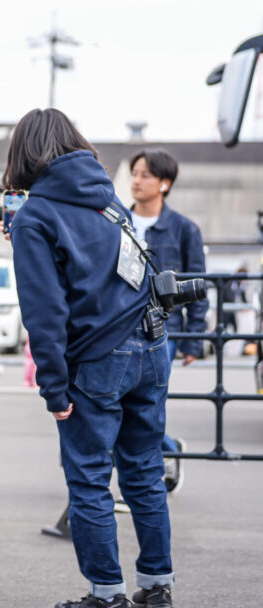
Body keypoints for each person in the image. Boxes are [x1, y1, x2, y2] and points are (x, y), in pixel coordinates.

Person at [7, 108, 175, 608]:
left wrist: (53, 389)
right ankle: (157, 585)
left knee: (89, 479)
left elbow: (45, 313)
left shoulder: (35, 216)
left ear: (24, 154)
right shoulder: (108, 199)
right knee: (144, 470)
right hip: (150, 346)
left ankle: (106, 595)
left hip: (97, 359)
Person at [129, 148, 207, 494]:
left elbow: (199, 285)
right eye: (134, 173)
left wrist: (194, 339)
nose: (136, 181)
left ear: (165, 183)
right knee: (128, 404)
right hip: (121, 326)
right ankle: (167, 450)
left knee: (145, 402)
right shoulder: (117, 220)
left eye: (145, 175)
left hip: (165, 329)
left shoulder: (184, 229)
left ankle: (152, 468)